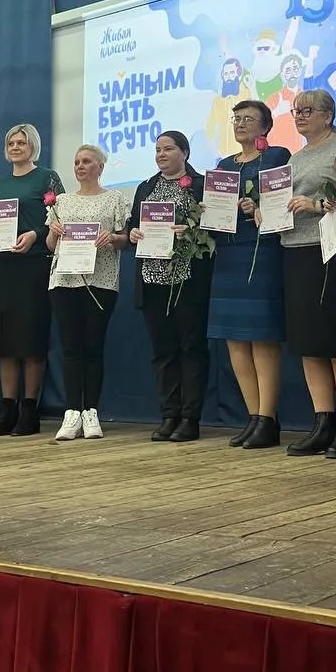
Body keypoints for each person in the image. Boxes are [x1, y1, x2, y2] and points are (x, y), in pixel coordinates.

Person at [280, 90, 336, 459]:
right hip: (294, 250)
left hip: (330, 250)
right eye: (295, 111)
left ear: (328, 116)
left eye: (307, 110)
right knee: (308, 342)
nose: (299, 116)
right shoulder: (295, 157)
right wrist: (264, 210)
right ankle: (322, 423)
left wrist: (315, 205)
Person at [208, 101, 290, 449]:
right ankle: (253, 417)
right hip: (228, 253)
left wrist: (258, 206)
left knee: (261, 336)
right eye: (236, 118)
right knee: (234, 339)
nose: (240, 123)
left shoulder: (276, 157)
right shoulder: (224, 166)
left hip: (261, 251)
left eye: (248, 119)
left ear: (265, 126)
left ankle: (268, 419)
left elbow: (283, 200)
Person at [128, 131, 214, 443]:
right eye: (157, 150)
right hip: (152, 279)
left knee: (191, 349)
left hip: (187, 279)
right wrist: (133, 233)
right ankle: (169, 415)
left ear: (185, 153)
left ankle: (190, 418)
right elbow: (132, 225)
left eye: (168, 149)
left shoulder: (201, 185)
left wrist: (191, 230)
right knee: (162, 351)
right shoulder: (146, 187)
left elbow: (215, 227)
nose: (161, 154)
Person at [0, 124, 64, 438]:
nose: (15, 147)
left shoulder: (46, 178)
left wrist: (35, 235)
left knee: (30, 339)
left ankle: (30, 410)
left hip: (33, 265)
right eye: (11, 143)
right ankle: (7, 410)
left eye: (21, 143)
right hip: (1, 266)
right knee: (4, 341)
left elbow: (59, 219)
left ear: (33, 147)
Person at [46, 145, 129, 442]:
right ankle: (71, 412)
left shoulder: (115, 198)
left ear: (100, 167)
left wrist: (113, 237)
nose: (80, 166)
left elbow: (124, 241)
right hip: (65, 281)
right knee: (70, 347)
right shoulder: (62, 201)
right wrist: (54, 232)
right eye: (77, 162)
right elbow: (50, 246)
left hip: (101, 280)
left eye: (87, 161)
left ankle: (90, 411)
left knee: (93, 346)